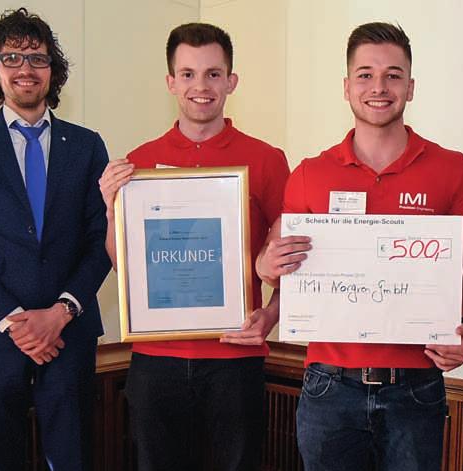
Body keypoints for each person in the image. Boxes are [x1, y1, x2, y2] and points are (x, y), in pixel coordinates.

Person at [257, 22, 463, 470]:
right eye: (365, 75)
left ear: (411, 86)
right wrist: (267, 267)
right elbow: (280, 269)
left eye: (393, 74)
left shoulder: (452, 169)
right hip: (329, 385)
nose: (379, 87)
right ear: (347, 88)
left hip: (417, 385)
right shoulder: (310, 174)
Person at [98, 22, 289, 471]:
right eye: (187, 74)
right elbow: (122, 266)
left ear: (231, 81)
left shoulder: (266, 159)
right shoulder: (138, 161)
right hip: (155, 360)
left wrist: (271, 316)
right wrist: (110, 209)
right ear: (170, 82)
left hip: (235, 358)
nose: (200, 86)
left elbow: (290, 258)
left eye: (213, 74)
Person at [0, 8, 111, 470]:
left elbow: (101, 241)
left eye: (38, 57)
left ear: (54, 70)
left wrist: (61, 312)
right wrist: (15, 320)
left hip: (69, 334)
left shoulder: (88, 145)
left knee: (73, 458)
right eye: (11, 57)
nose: (26, 69)